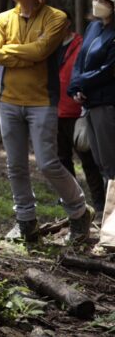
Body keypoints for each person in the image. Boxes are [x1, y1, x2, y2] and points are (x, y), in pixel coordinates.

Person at [0, 0, 92, 244]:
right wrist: (27, 53)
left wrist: (17, 51)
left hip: (42, 102)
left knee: (48, 163)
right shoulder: (3, 19)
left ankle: (79, 211)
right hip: (8, 100)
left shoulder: (56, 18)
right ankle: (25, 222)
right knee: (15, 165)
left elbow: (42, 51)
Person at [69, 0, 115, 203]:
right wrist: (76, 86)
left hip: (106, 104)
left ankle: (111, 219)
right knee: (97, 159)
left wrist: (82, 84)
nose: (96, 1)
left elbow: (108, 70)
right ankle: (107, 215)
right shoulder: (93, 26)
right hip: (88, 103)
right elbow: (80, 60)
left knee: (110, 163)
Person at [57, 11, 106, 212]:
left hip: (77, 112)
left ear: (68, 23)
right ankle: (72, 204)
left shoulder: (81, 45)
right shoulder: (49, 47)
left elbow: (85, 72)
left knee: (88, 161)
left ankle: (100, 205)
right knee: (61, 161)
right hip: (54, 112)